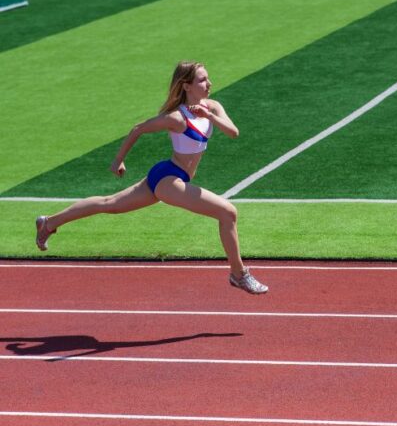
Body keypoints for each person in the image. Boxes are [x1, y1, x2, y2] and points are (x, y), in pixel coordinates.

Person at [34, 61, 268, 295]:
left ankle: (49, 222)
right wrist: (118, 160)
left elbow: (233, 132)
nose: (209, 83)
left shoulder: (213, 107)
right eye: (202, 80)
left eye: (208, 78)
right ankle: (239, 274)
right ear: (186, 86)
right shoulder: (177, 118)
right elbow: (138, 128)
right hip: (168, 178)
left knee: (110, 204)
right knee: (228, 212)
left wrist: (209, 115)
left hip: (170, 176)